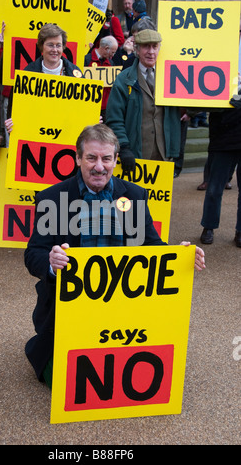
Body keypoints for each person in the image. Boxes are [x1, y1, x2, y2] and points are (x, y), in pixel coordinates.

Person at [24, 124, 206, 387]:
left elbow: (150, 244)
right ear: (78, 158)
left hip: (121, 305)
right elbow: (33, 254)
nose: (99, 166)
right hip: (67, 306)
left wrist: (179, 253)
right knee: (59, 381)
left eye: (106, 158)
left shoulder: (133, 196)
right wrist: (51, 264)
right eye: (92, 158)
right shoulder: (53, 198)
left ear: (115, 160)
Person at [106, 29, 181, 173]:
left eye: (155, 46)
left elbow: (189, 103)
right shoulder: (124, 80)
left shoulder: (172, 78)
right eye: (146, 46)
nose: (151, 52)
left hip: (163, 154)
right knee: (135, 195)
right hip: (135, 154)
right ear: (137, 50)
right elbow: (115, 118)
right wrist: (124, 147)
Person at [5, 24, 83, 134]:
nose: (55, 50)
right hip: (35, 135)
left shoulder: (75, 74)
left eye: (58, 45)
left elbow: (82, 109)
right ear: (42, 46)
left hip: (67, 135)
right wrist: (12, 124)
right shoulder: (28, 73)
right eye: (50, 45)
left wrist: (91, 117)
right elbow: (15, 109)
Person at [200, 94, 241, 247]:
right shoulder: (220, 74)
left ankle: (240, 231)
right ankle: (208, 226)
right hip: (222, 140)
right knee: (214, 189)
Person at [84, 36, 118, 123]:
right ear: (106, 48)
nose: (113, 55)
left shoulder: (111, 63)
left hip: (106, 108)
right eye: (112, 52)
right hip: (89, 106)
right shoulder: (86, 60)